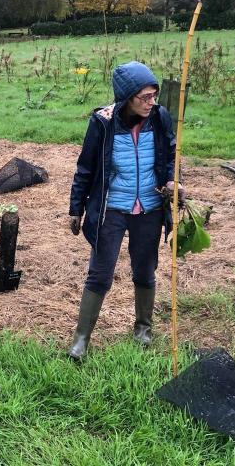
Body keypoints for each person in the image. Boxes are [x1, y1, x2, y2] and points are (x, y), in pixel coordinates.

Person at [67, 61, 180, 360]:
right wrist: (75, 207)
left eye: (154, 95)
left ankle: (143, 329)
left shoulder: (160, 117)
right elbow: (86, 167)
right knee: (100, 273)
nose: (151, 102)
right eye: (145, 97)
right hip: (111, 209)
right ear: (127, 97)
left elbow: (170, 153)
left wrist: (171, 179)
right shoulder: (103, 122)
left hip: (150, 208)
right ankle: (81, 340)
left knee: (145, 270)